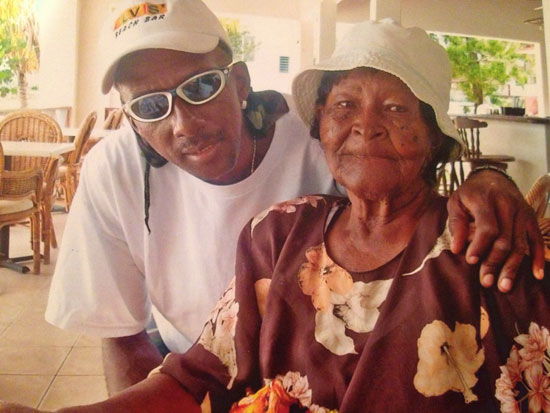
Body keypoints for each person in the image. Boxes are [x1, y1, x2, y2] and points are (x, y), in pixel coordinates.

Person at [3, 16, 550, 413]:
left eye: (396, 108)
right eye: (343, 106)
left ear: (434, 136)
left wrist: (492, 179)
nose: (364, 126)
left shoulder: (486, 254)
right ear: (322, 130)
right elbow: (187, 376)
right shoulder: (279, 233)